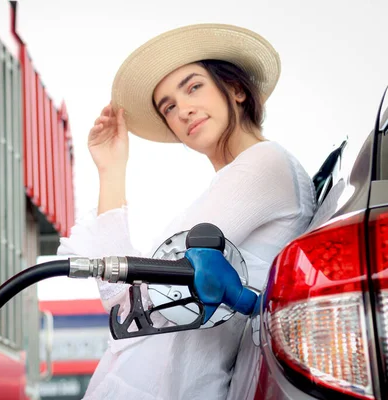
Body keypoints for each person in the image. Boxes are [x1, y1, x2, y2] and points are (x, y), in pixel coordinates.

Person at [57, 23, 315, 400]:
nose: (184, 110)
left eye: (193, 87)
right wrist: (112, 169)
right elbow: (124, 297)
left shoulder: (265, 163)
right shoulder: (230, 182)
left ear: (237, 89)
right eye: (169, 107)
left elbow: (139, 295)